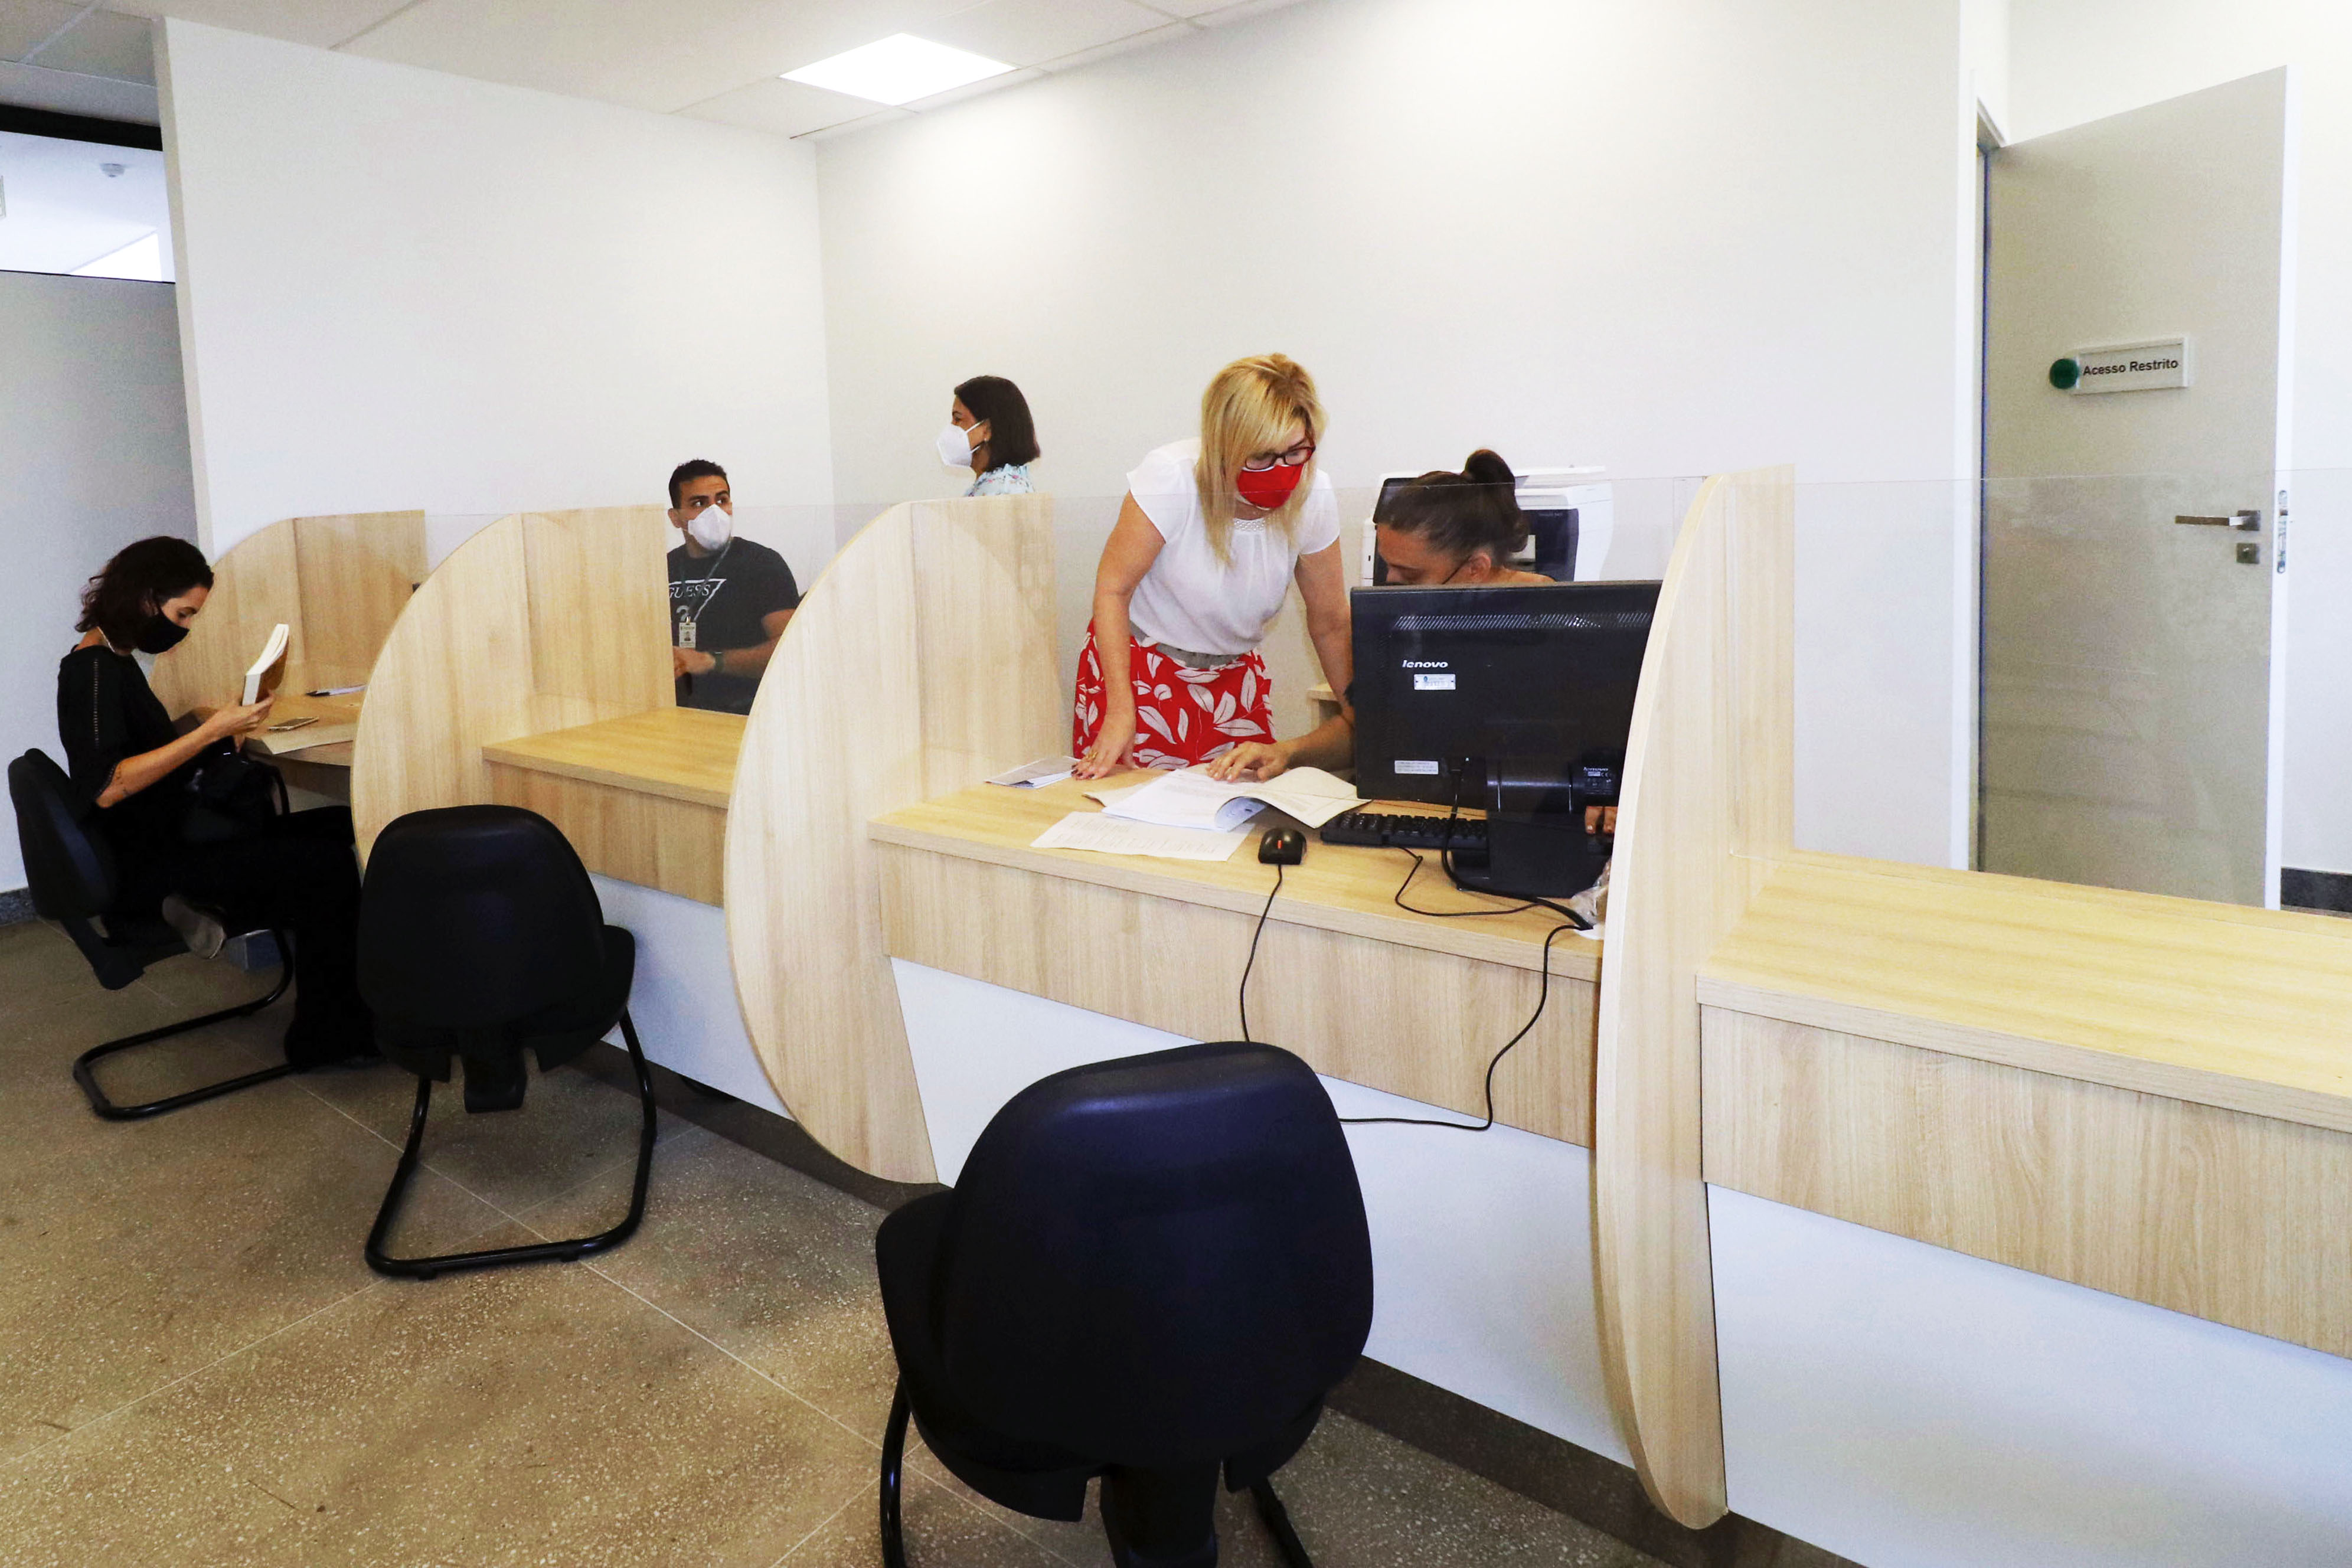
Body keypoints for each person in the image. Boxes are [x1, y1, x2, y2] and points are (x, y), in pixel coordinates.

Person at [55, 537, 373, 1067]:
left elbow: (140, 749)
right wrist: (208, 734)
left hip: (166, 835)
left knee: (341, 824)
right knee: (325, 868)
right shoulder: (91, 671)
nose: (183, 628)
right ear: (146, 598)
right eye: (183, 613)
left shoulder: (115, 660)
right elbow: (107, 785)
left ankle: (349, 1006)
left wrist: (219, 728)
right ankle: (326, 1037)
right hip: (151, 861)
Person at [1206, 450, 1615, 833]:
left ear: (1475, 568)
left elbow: (1605, 750)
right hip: (1422, 819)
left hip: (1528, 828)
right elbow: (1370, 729)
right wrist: (1287, 753)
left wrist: (1608, 794)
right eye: (1389, 567)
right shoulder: (1403, 623)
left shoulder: (1559, 630)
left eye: (1410, 574)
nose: (1391, 583)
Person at [1072, 354, 1351, 777]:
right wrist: (1119, 710)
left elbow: (1330, 621)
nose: (1281, 471)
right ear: (1225, 447)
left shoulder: (1314, 493)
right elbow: (1114, 589)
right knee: (1134, 805)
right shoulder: (1172, 477)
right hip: (1141, 672)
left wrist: (1359, 714)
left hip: (1233, 677)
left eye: (1295, 452)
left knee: (1242, 802)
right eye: (1261, 457)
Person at [666, 459, 801, 714]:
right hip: (677, 711)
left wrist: (711, 661)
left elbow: (790, 649)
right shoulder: (664, 567)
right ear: (676, 518)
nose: (714, 512)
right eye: (699, 504)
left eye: (722, 500)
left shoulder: (761, 563)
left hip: (746, 712)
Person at [937, 375, 1041, 496]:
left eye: (958, 419)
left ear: (987, 429)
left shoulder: (1002, 491)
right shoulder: (1001, 486)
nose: (952, 427)